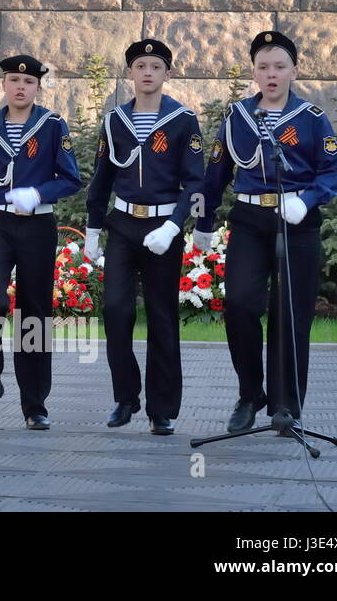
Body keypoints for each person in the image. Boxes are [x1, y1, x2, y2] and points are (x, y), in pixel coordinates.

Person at [197, 31, 337, 435]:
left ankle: (286, 406)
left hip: (297, 220)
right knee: (241, 305)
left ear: (295, 70)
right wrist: (204, 223)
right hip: (249, 219)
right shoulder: (237, 117)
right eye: (263, 67)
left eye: (280, 66)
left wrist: (308, 199)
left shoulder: (313, 119)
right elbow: (215, 175)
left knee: (291, 314)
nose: (272, 74)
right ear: (254, 73)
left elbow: (332, 172)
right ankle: (250, 394)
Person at [0, 55, 81, 430]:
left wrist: (38, 193)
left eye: (28, 82)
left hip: (38, 226)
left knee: (33, 313)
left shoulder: (53, 125)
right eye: (12, 80)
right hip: (0, 225)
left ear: (38, 88)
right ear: (3, 85)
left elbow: (71, 178)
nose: (20, 87)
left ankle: (34, 403)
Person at [84, 39, 204, 436]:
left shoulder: (183, 120)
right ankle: (126, 396)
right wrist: (93, 227)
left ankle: (162, 409)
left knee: (161, 316)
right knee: (116, 310)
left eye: (156, 66)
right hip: (122, 224)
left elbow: (196, 183)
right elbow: (103, 176)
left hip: (162, 228)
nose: (148, 72)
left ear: (167, 74)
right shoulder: (115, 120)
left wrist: (176, 226)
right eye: (140, 65)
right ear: (131, 73)